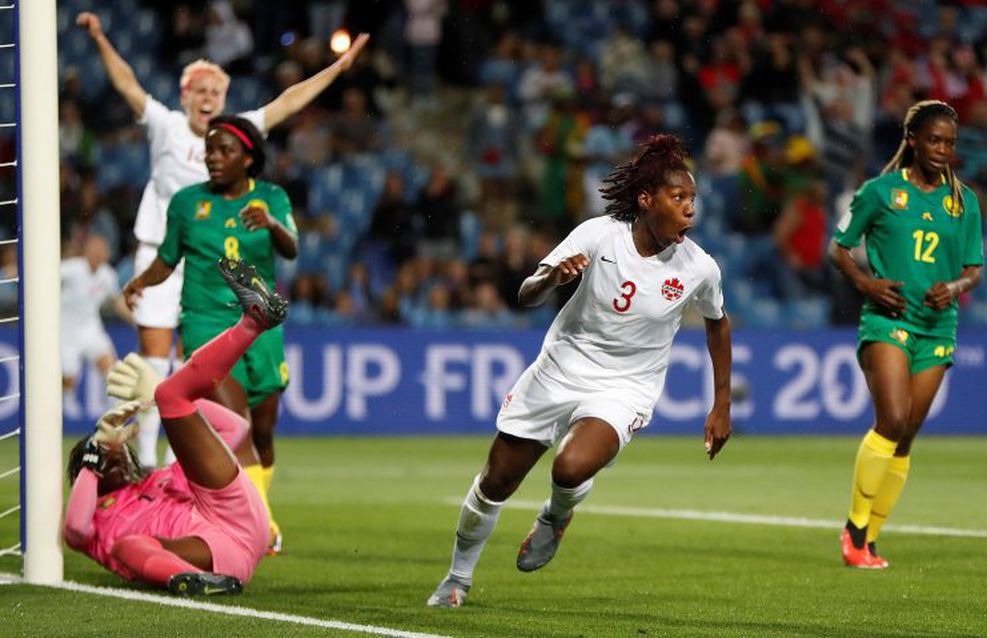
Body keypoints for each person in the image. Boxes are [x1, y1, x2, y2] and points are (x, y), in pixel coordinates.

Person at [427, 134, 733, 608]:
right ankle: (457, 579)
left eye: (693, 199)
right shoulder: (598, 235)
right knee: (496, 482)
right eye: (679, 198)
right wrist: (552, 278)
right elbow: (526, 293)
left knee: (569, 467)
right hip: (559, 369)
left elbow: (718, 326)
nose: (690, 209)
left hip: (625, 387)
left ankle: (556, 515)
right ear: (646, 200)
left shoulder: (700, 269)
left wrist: (721, 405)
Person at [75, 12, 367, 471]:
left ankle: (181, 452)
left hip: (216, 262)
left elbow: (289, 102)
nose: (209, 98)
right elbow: (128, 83)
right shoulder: (165, 125)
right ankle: (150, 455)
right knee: (156, 354)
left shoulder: (238, 132)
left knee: (202, 363)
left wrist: (336, 68)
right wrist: (98, 37)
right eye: (201, 91)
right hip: (161, 250)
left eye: (217, 92)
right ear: (185, 96)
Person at [123, 115, 298, 553]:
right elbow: (168, 258)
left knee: (262, 434)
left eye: (225, 151)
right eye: (210, 150)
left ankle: (259, 512)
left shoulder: (271, 197)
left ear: (249, 158)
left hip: (260, 324)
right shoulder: (186, 202)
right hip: (205, 323)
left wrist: (272, 224)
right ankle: (262, 528)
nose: (213, 159)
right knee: (234, 426)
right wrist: (141, 281)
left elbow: (291, 247)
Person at [64, 257, 288, 595]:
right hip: (213, 554)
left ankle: (252, 322)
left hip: (232, 513)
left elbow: (234, 430)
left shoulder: (161, 478)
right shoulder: (95, 520)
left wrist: (159, 404)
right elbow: (74, 531)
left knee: (170, 394)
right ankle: (193, 581)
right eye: (106, 453)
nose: (118, 455)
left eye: (117, 450)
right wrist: (92, 457)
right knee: (128, 547)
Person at [829, 100, 984, 569]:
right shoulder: (879, 192)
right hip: (887, 318)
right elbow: (839, 248)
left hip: (938, 325)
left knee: (908, 434)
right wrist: (866, 283)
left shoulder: (964, 201)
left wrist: (954, 287)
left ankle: (870, 538)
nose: (942, 150)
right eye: (934, 140)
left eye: (950, 143)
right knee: (892, 419)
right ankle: (854, 529)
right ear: (913, 140)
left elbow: (975, 269)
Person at [60, 235, 132, 418]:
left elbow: (116, 301)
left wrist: (135, 321)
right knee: (69, 376)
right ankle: (64, 412)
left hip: (91, 327)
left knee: (112, 369)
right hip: (65, 329)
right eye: (96, 249)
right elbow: (45, 279)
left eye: (103, 250)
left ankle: (115, 412)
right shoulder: (71, 268)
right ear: (87, 251)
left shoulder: (108, 274)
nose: (100, 253)